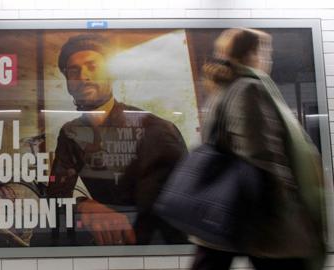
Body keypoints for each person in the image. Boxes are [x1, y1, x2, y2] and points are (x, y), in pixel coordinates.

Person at [192, 28, 326, 270]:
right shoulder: (247, 89)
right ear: (252, 54)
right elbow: (260, 155)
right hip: (263, 217)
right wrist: (288, 205)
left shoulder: (223, 89)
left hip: (235, 213)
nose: (269, 59)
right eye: (266, 52)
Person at [47, 34, 188, 245]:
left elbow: (183, 205)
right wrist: (83, 205)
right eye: (73, 71)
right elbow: (55, 197)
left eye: (92, 66)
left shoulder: (157, 129)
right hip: (108, 245)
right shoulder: (71, 133)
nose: (83, 76)